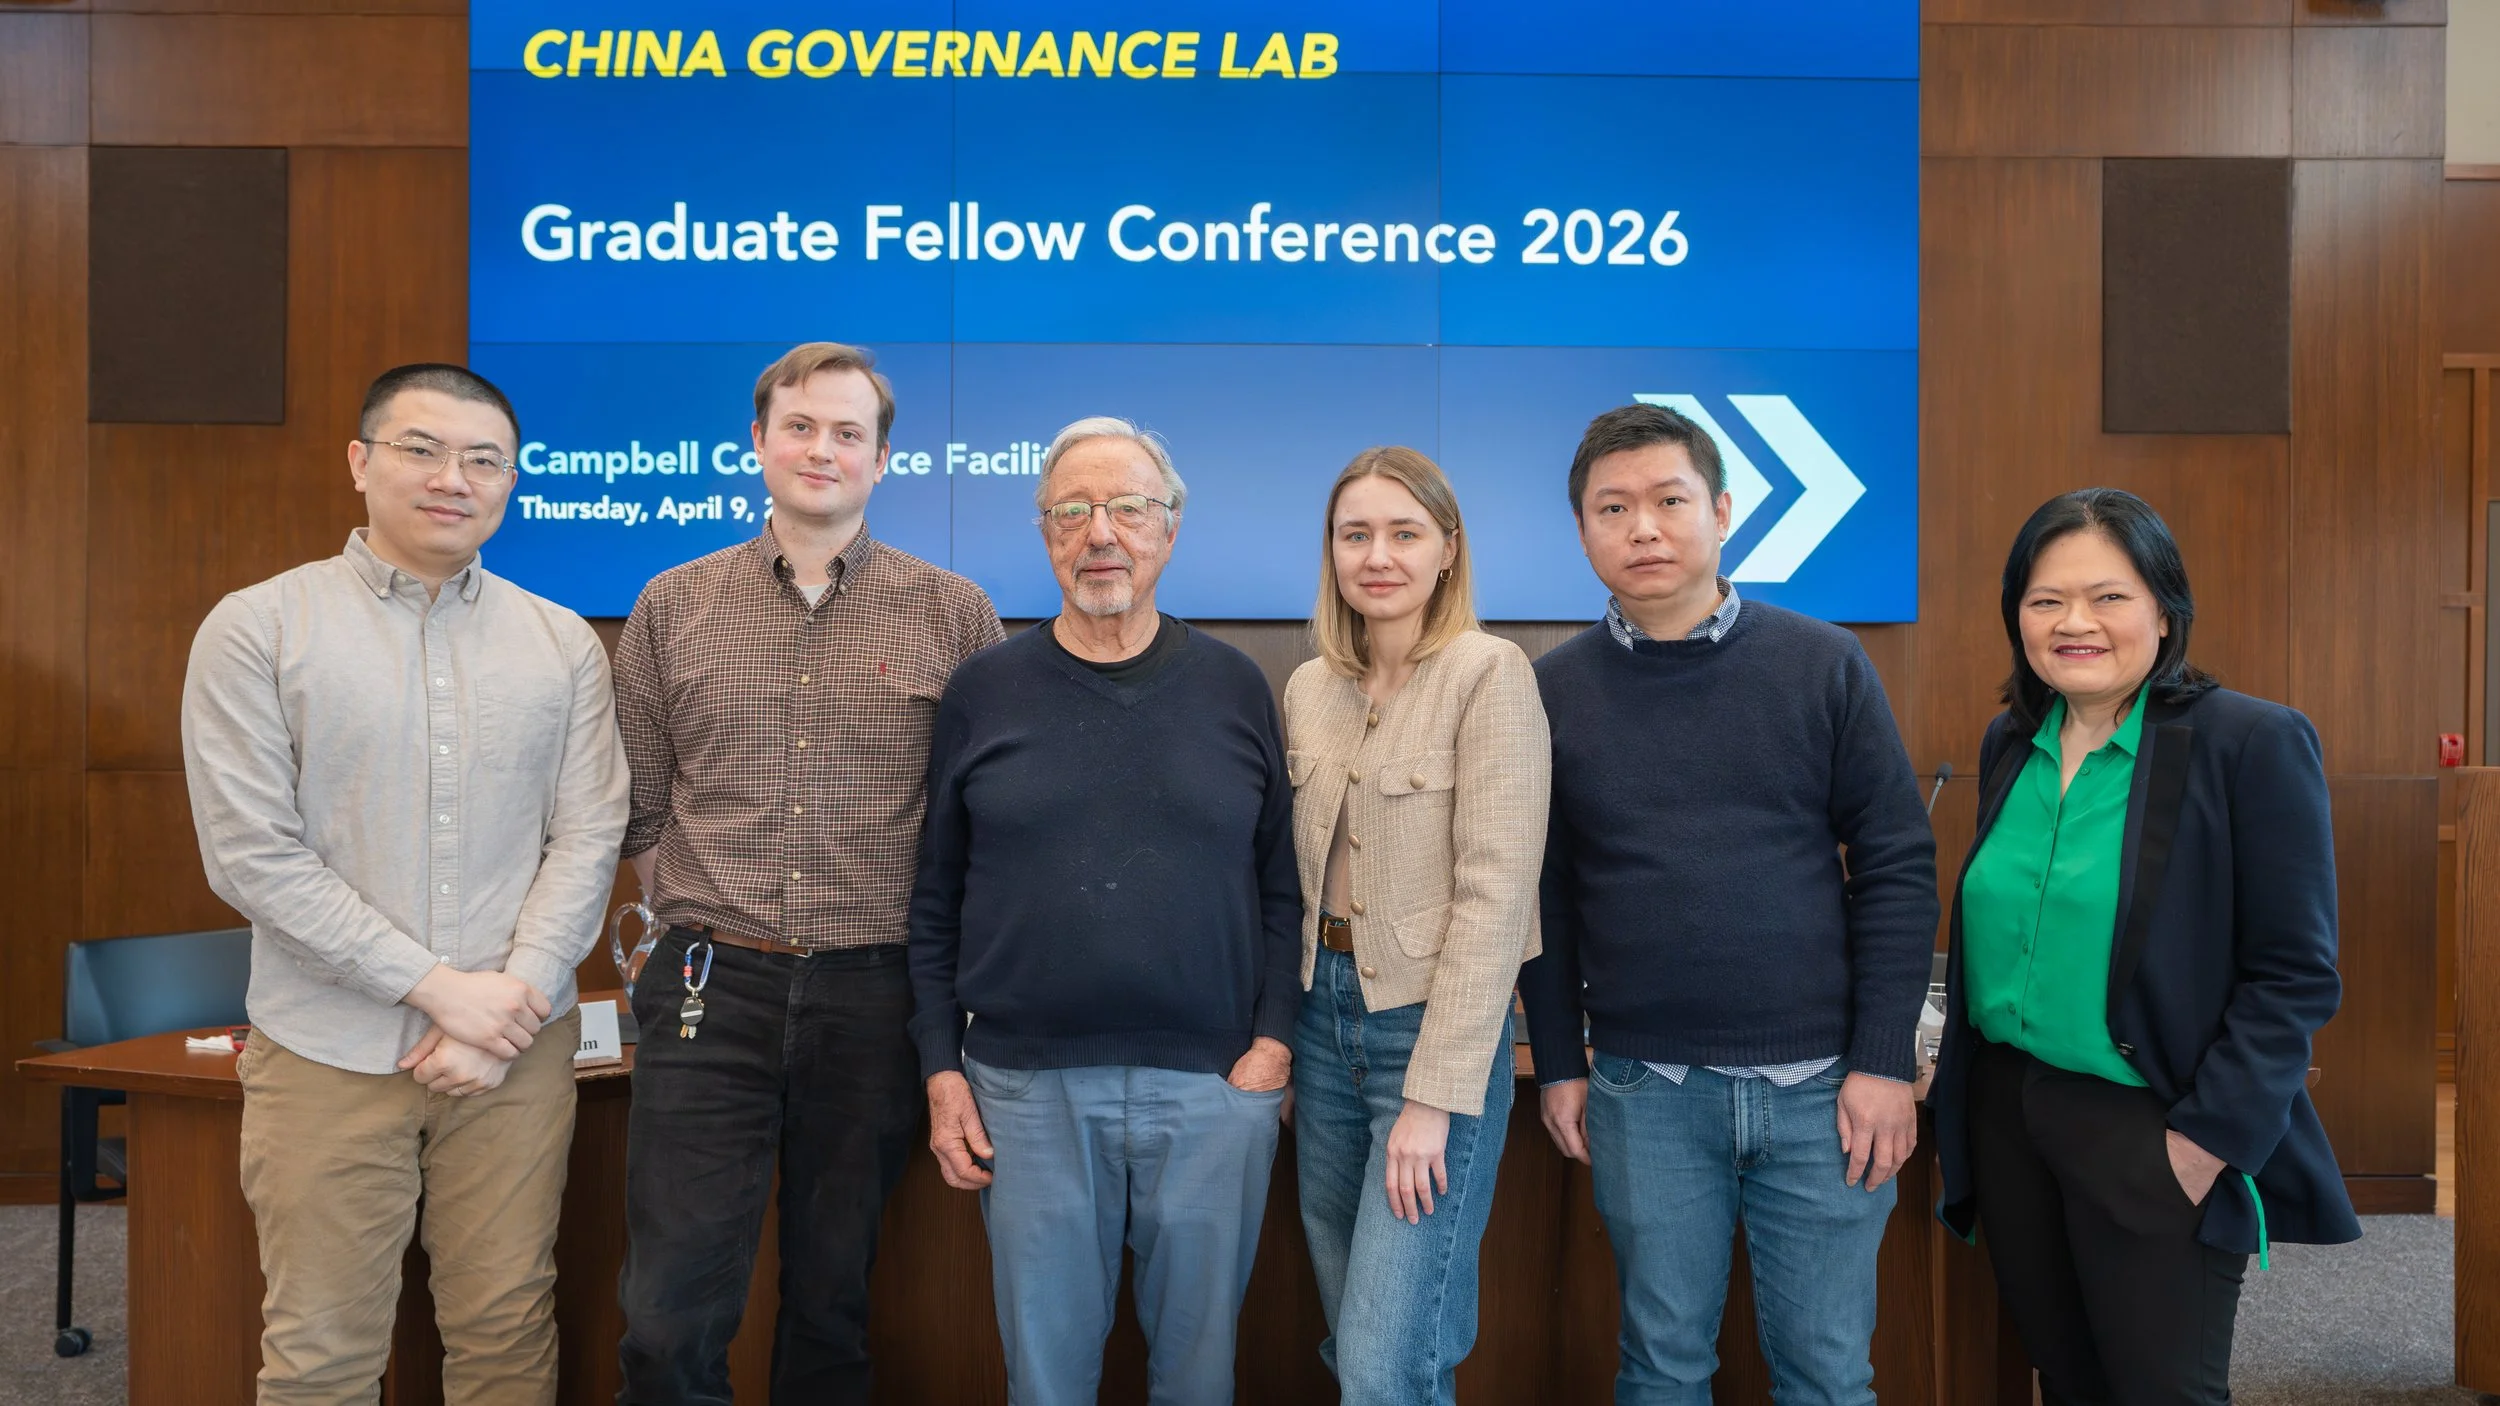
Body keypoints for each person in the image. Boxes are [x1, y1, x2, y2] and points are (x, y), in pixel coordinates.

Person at [182, 363, 629, 1404]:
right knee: (321, 1350)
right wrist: (440, 987)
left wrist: (502, 1004)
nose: (452, 478)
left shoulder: (561, 641)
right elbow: (252, 853)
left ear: (511, 481)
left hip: (515, 1058)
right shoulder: (259, 628)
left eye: (483, 460)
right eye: (420, 449)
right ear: (359, 462)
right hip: (328, 1048)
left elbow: (590, 828)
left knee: (508, 1327)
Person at [1517, 402, 1938, 1405]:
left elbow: (1895, 862)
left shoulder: (1823, 662)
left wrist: (1883, 1057)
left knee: (1827, 1372)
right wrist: (1562, 1062)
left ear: (1722, 510)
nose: (1644, 527)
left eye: (1668, 500)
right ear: (1582, 532)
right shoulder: (1550, 689)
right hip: (1643, 1089)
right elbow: (1545, 891)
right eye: (1611, 508)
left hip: (1824, 1089)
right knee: (1660, 1365)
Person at [611, 342, 1002, 1403]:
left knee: (832, 1303)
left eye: (847, 433)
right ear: (758, 442)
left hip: (877, 992)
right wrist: (696, 923)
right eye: (799, 426)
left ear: (882, 460)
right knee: (666, 1312)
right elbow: (643, 807)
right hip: (707, 983)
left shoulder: (954, 613)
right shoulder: (671, 603)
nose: (820, 449)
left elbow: (971, 829)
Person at [1928, 488, 2359, 1405]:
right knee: (2068, 1376)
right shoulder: (2012, 741)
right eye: (2045, 601)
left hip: (2151, 1123)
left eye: (2108, 597)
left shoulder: (2249, 743)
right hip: (2010, 1114)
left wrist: (2206, 1142)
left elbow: (2295, 974)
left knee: (2162, 1390)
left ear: (2164, 611)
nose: (2074, 622)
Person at [910, 416, 1301, 1406]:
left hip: (1213, 1088)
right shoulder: (984, 690)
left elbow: (1281, 885)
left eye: (1128, 507)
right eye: (1073, 511)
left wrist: (1270, 1047)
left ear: (1169, 529)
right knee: (1043, 1383)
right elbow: (934, 901)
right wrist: (940, 1070)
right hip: (1025, 1092)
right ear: (1044, 532)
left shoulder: (1235, 686)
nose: (1101, 533)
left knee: (1199, 1378)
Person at [1280, 447, 1548, 1405]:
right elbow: (1291, 884)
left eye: (1404, 533)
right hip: (1322, 1028)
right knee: (1350, 1326)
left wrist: (1435, 1097)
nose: (1377, 555)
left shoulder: (1490, 673)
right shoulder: (1310, 687)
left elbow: (1497, 896)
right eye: (1356, 534)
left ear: (1448, 551)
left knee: (1387, 1359)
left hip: (1430, 1036)